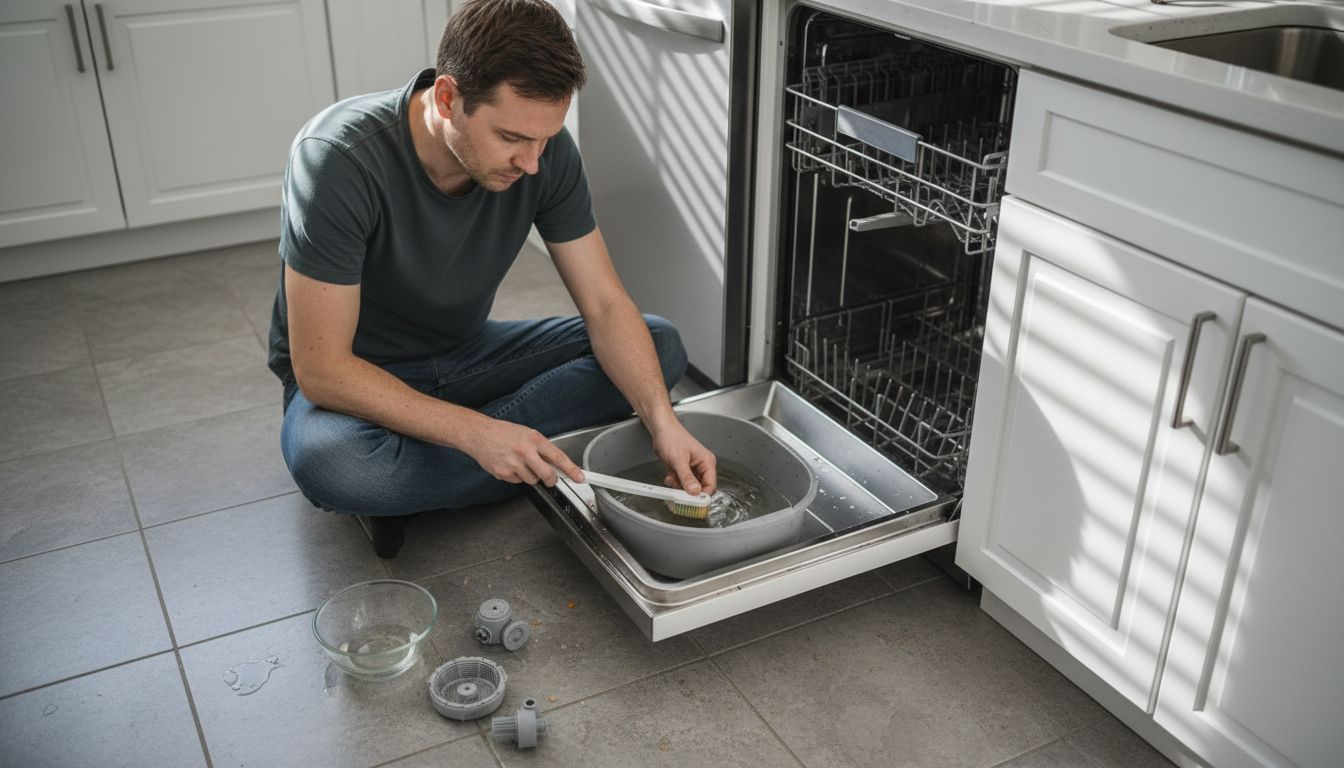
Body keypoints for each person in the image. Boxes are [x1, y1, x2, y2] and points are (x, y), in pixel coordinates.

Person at [267, 0, 717, 557]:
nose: (531, 164)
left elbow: (603, 304)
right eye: (511, 138)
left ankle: (459, 468)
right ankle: (511, 452)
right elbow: (323, 371)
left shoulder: (544, 155)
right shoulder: (336, 159)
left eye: (544, 140)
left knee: (657, 345)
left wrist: (663, 421)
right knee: (337, 467)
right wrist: (477, 434)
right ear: (449, 98)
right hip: (357, 381)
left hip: (467, 355)